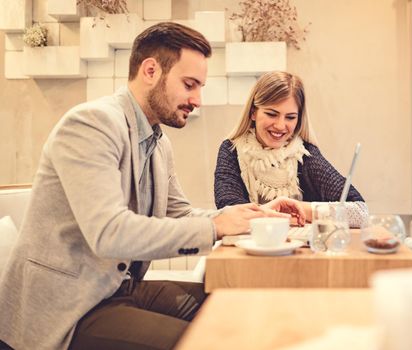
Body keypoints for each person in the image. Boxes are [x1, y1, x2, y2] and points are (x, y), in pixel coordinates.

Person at [0, 23, 305, 350]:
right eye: (190, 85)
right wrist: (215, 228)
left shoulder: (158, 144)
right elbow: (109, 233)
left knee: (234, 303)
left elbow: (180, 213)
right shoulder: (91, 124)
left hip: (119, 290)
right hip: (68, 308)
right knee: (212, 341)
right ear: (150, 71)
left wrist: (250, 216)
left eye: (200, 87)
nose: (197, 100)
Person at [214, 71, 368, 225]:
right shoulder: (231, 150)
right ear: (253, 112)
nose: (280, 125)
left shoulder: (305, 154)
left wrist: (296, 208)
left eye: (290, 117)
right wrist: (284, 213)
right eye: (271, 114)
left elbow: (360, 212)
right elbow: (230, 213)